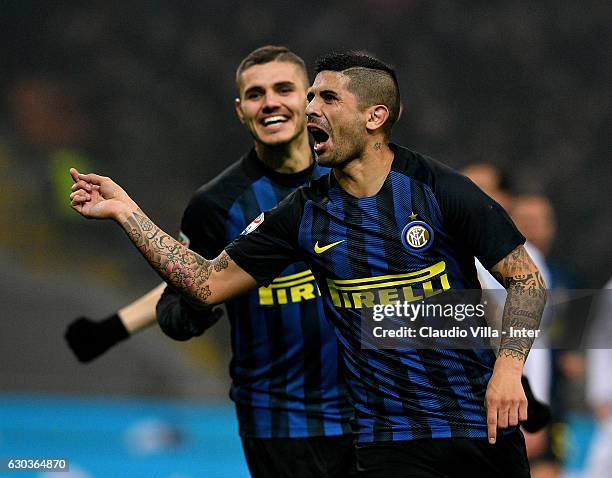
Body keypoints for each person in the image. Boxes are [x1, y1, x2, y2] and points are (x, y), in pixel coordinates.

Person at [70, 52, 547, 477]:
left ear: (375, 116)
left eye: (328, 98)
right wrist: (127, 213)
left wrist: (508, 371)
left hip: (478, 426)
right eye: (312, 96)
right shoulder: (302, 213)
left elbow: (527, 281)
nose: (311, 109)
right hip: (386, 440)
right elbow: (205, 283)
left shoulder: (440, 190)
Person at [66, 46, 353, 478]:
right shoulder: (216, 204)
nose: (270, 101)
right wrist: (180, 314)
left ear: (310, 100)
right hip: (279, 420)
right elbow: (184, 289)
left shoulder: (357, 181)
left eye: (284, 89)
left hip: (370, 412)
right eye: (256, 94)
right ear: (241, 110)